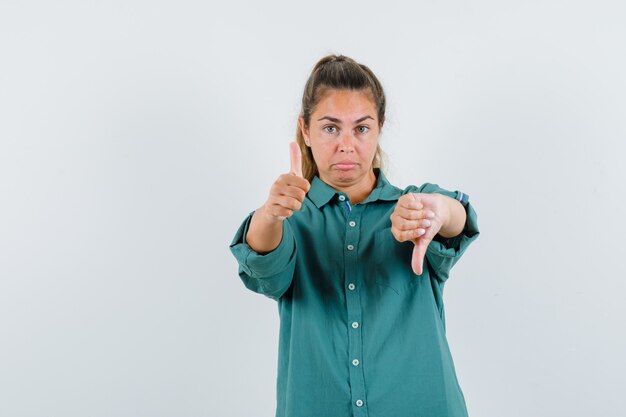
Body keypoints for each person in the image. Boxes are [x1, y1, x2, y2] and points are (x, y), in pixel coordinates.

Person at [229, 54, 480, 417]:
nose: (347, 144)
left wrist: (439, 211)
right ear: (306, 130)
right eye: (331, 128)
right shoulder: (290, 219)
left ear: (378, 128)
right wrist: (270, 214)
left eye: (361, 128)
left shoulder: (410, 205)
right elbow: (264, 268)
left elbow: (456, 218)